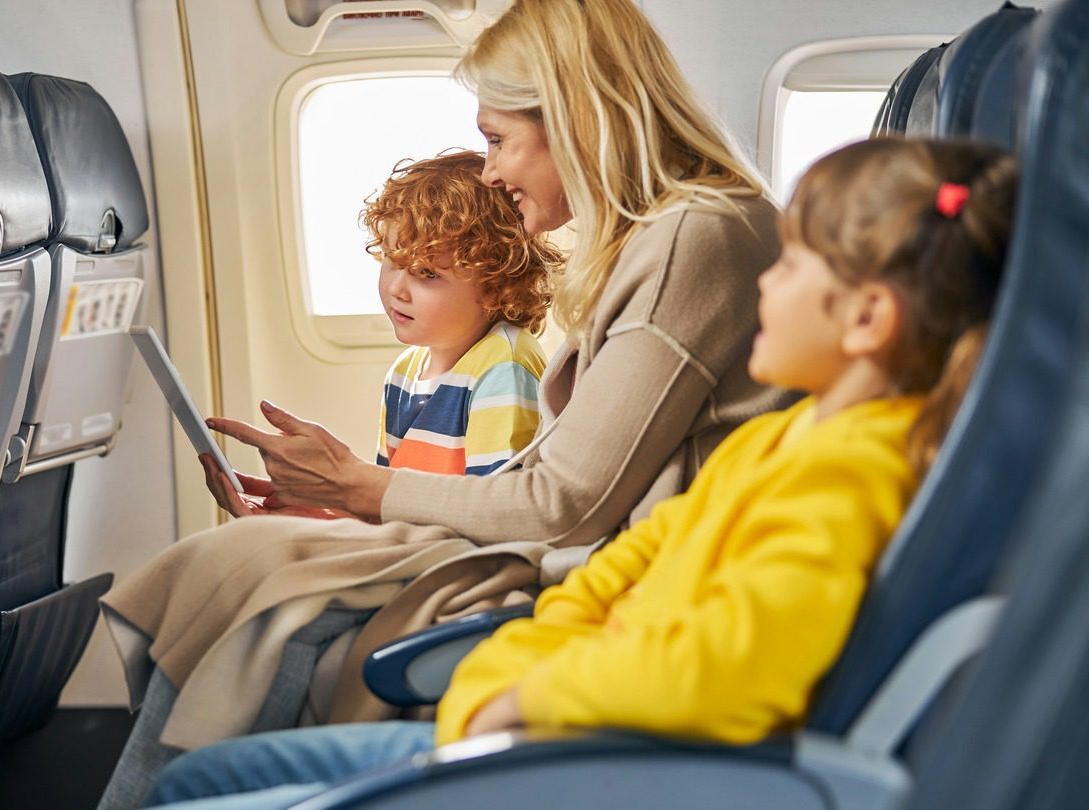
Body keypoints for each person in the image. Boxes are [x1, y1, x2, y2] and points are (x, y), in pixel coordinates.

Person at [141, 136, 1021, 810]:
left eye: (790, 267)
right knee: (215, 775)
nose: (763, 286)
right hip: (549, 715)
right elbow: (609, 581)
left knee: (194, 792)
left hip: (608, 753)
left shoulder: (852, 472)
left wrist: (527, 694)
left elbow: (724, 673)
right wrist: (508, 681)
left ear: (867, 316)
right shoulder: (771, 444)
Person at [97, 1, 785, 805]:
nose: (489, 170)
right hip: (562, 556)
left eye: (498, 139)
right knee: (239, 557)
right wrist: (337, 502)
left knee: (250, 580)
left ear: (575, 116)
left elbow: (565, 502)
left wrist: (361, 488)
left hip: (592, 582)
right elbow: (562, 475)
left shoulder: (694, 239)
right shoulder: (661, 240)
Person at [369, 151, 557, 478]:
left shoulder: (503, 366)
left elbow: (491, 506)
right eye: (393, 261)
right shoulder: (402, 373)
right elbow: (382, 495)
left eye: (427, 273)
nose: (397, 288)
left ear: (495, 284)